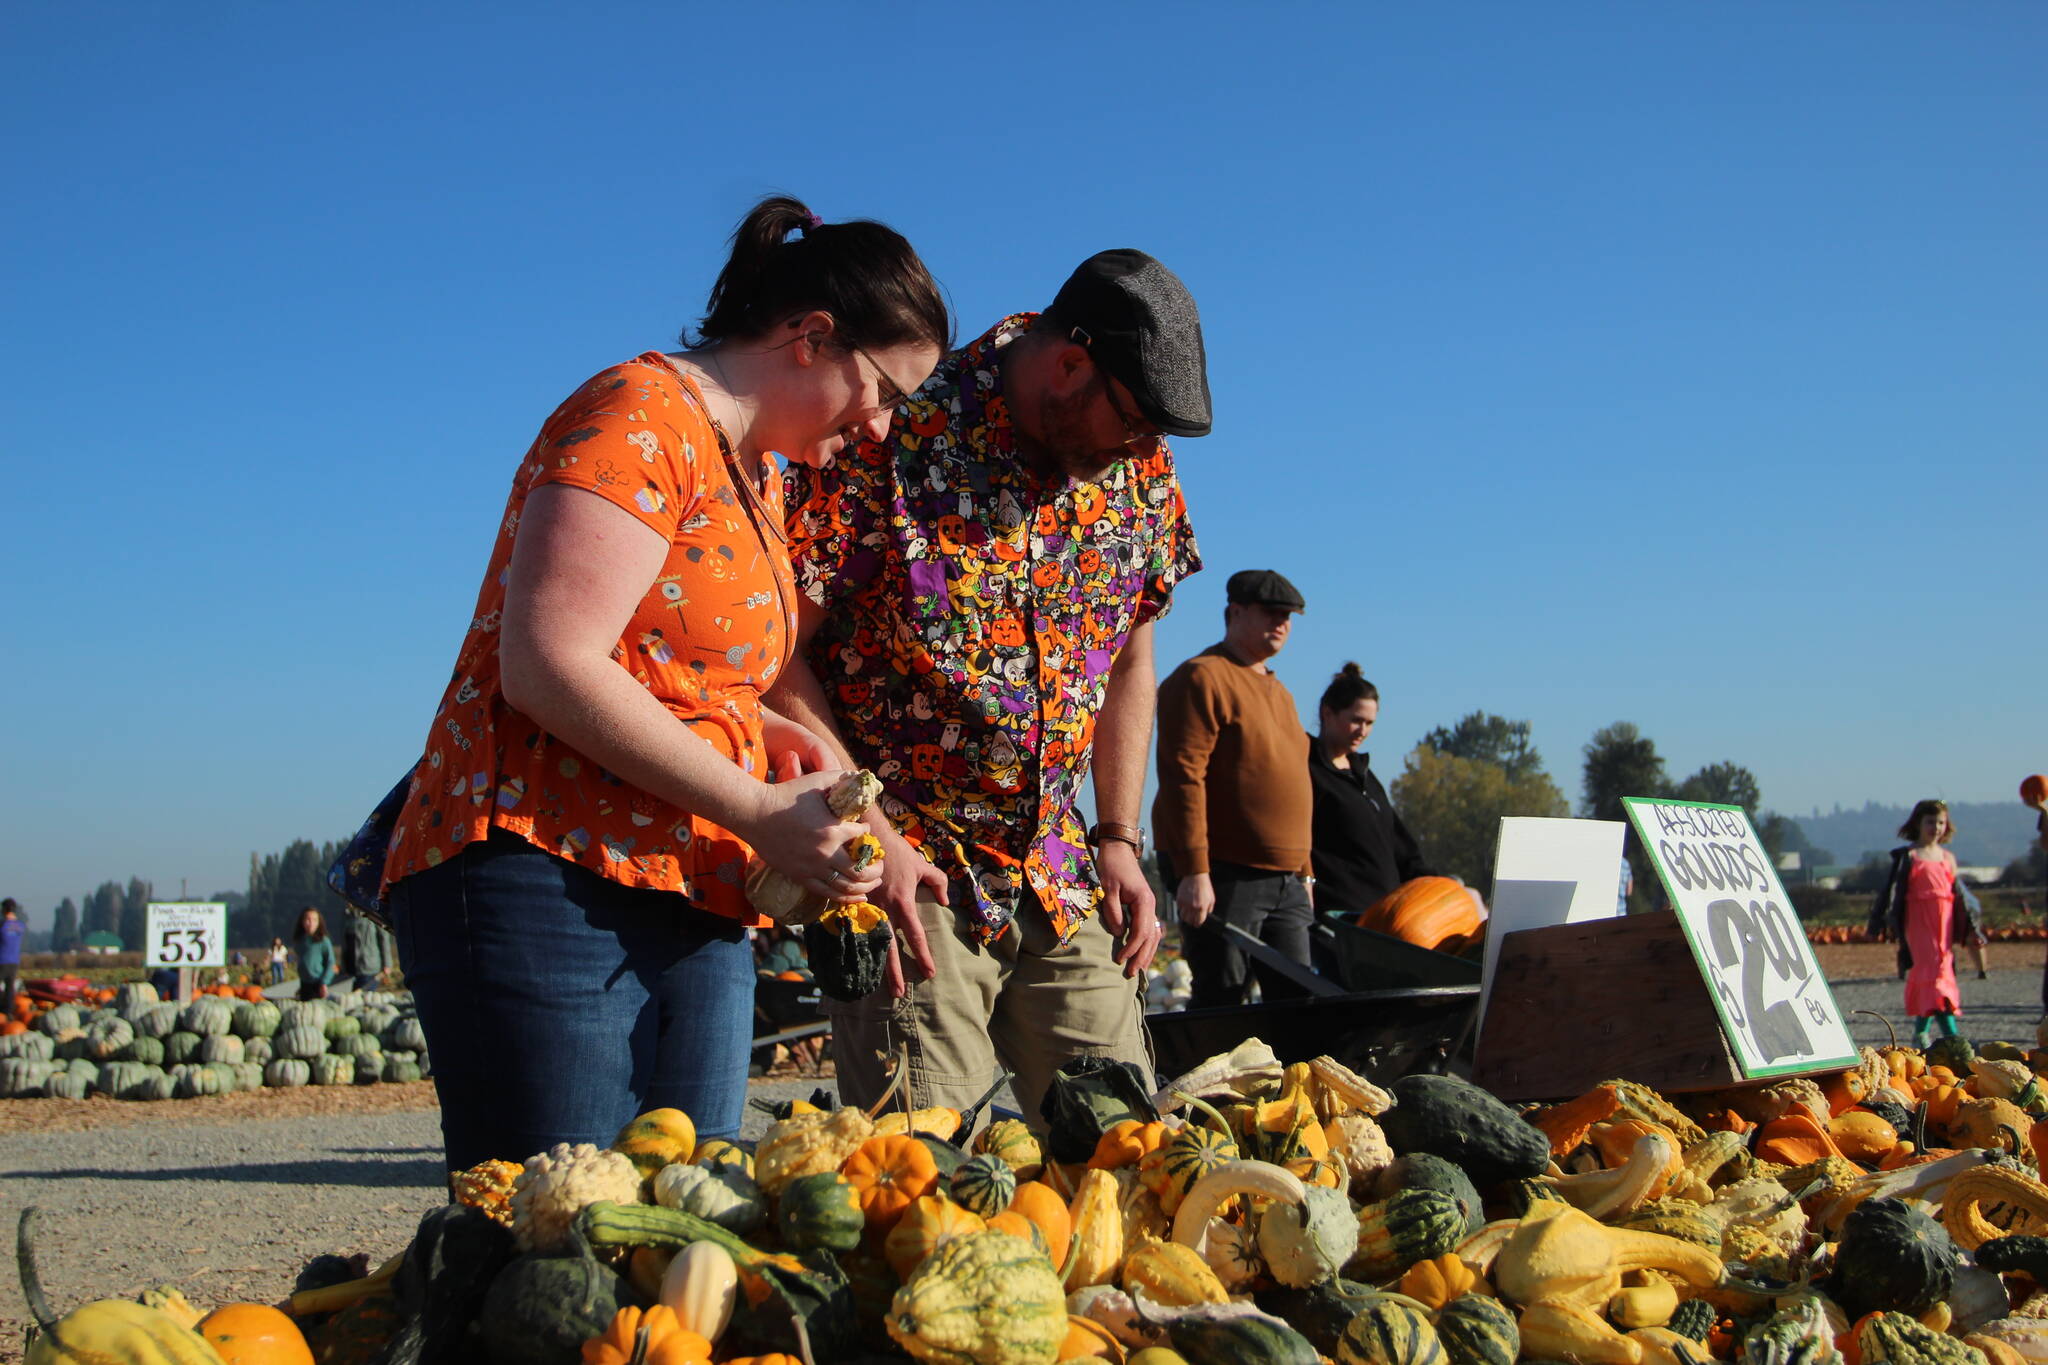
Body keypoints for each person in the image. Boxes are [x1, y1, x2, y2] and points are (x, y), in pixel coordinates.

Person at [378, 197, 947, 1171]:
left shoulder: (758, 475)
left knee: (689, 1229)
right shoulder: (640, 413)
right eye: (885, 391)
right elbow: (547, 661)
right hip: (547, 869)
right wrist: (759, 808)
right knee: (562, 1242)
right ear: (810, 338)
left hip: (690, 885)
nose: (884, 427)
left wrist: (763, 731)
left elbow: (674, 665)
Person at [772, 248, 1211, 1122]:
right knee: (933, 1180)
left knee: (1132, 1157)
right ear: (1069, 364)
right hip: (911, 868)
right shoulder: (888, 432)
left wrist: (1119, 835)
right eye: (1131, 423)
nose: (1141, 449)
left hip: (1056, 866)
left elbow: (1130, 651)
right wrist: (867, 829)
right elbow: (775, 657)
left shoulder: (1139, 466)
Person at [1154, 569, 1316, 1008]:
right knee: (1223, 1000)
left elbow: (1293, 781)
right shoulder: (1202, 678)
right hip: (1225, 873)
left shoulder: (1280, 692)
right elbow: (1182, 774)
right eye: (1271, 613)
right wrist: (1194, 870)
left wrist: (1303, 870)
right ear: (1235, 612)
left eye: (1289, 616)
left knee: (1299, 1002)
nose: (1282, 622)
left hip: (1286, 879)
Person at [1306, 664, 1438, 920]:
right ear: (1327, 713)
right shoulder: (1309, 772)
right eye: (1355, 720)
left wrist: (1437, 884)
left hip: (1384, 918)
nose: (1363, 731)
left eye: (1369, 723)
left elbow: (1401, 847)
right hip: (1337, 917)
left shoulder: (1366, 777)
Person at [1867, 799, 1984, 1047]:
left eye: (1941, 822)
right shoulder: (1909, 856)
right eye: (1930, 822)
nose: (1936, 827)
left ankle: (1923, 1030)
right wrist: (1879, 921)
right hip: (1918, 920)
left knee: (1943, 965)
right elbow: (1890, 893)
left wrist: (1972, 928)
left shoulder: (1947, 858)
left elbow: (1960, 897)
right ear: (1918, 823)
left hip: (1945, 919)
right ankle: (1950, 1034)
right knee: (1929, 967)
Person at [292, 907, 337, 1001]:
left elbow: (330, 962)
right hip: (304, 983)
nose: (311, 923)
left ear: (319, 922)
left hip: (318, 983)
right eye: (308, 919)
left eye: (314, 920)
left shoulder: (323, 941)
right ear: (302, 922)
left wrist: (324, 983)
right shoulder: (300, 941)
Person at [1, 900, 23, 1021]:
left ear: (4, 909)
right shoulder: (20, 926)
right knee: (10, 987)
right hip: (14, 961)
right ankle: (8, 1013)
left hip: (1, 959)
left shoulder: (2, 924)